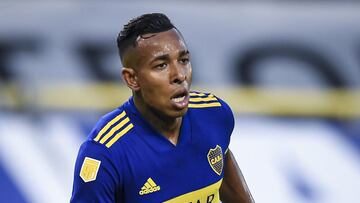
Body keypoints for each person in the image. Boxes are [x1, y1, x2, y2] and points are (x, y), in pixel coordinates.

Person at [70, 13, 254, 203]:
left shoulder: (214, 115)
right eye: (161, 65)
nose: (179, 75)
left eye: (183, 60)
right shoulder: (106, 153)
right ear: (131, 79)